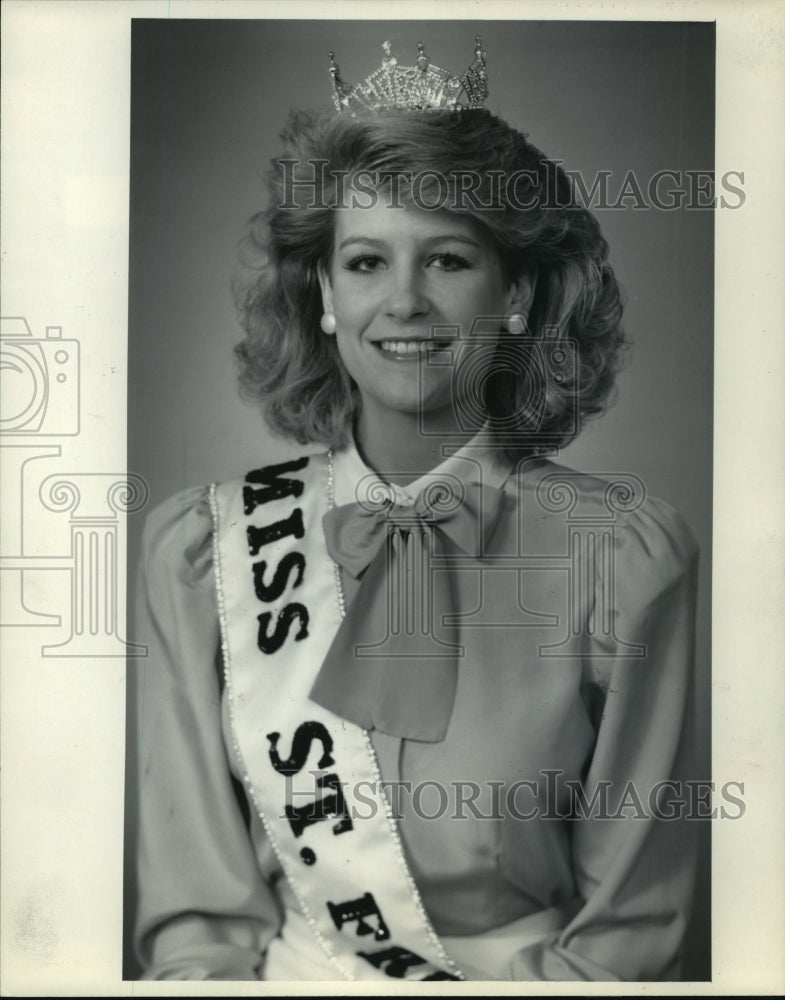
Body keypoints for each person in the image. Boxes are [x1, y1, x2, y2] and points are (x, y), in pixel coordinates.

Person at [131, 38, 699, 982]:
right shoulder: (203, 551)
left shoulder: (624, 555)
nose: (404, 302)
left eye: (446, 260)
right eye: (363, 262)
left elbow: (625, 935)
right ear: (321, 293)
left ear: (514, 293)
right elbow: (198, 925)